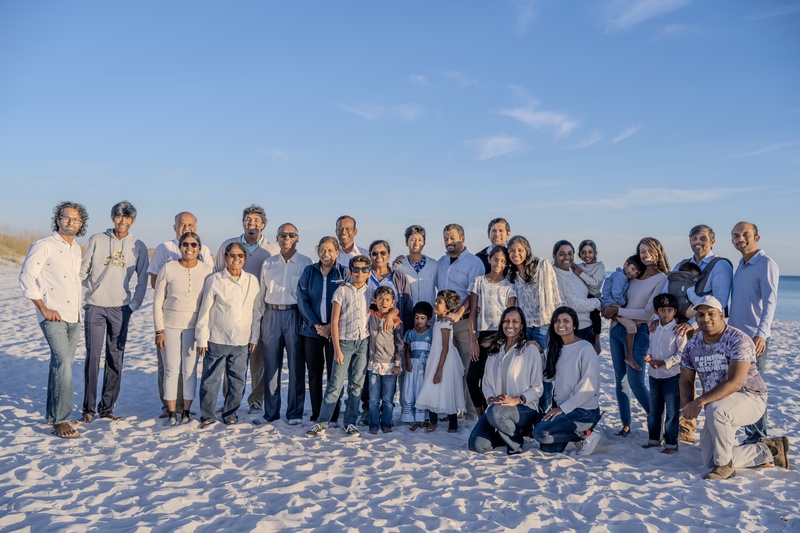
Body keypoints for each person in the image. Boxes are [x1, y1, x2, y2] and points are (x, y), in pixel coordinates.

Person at [680, 296, 788, 479]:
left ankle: (725, 467)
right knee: (709, 460)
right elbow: (686, 381)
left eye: (711, 314)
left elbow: (735, 383)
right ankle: (771, 449)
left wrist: (699, 402)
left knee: (717, 412)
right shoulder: (692, 344)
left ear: (722, 316)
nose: (705, 318)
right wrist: (687, 406)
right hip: (717, 402)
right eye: (700, 315)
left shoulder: (738, 339)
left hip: (750, 398)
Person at [20, 201, 89, 438]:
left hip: (74, 316)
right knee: (63, 364)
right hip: (53, 316)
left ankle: (52, 414)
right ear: (58, 219)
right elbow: (27, 277)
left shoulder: (76, 248)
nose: (70, 222)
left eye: (75, 219)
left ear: (81, 223)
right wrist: (43, 308)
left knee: (59, 364)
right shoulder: (44, 245)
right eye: (66, 218)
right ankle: (61, 420)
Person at [78, 201, 149, 422]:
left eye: (127, 217)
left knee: (115, 358)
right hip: (95, 307)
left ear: (132, 220)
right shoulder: (97, 239)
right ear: (112, 218)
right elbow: (82, 270)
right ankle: (88, 409)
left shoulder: (138, 245)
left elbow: (142, 280)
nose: (122, 221)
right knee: (93, 357)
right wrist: (87, 292)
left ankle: (106, 408)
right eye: (119, 216)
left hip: (121, 309)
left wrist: (133, 305)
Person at [147, 211, 214, 418]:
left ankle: (185, 409)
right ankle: (169, 408)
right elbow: (156, 287)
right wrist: (159, 328)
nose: (187, 229)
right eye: (182, 225)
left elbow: (210, 291)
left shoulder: (206, 258)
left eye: (190, 225)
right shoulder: (164, 250)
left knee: (189, 370)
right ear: (175, 227)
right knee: (169, 369)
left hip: (193, 324)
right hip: (170, 321)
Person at [670, 225, 733, 444]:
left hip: (707, 331)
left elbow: (719, 302)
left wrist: (691, 324)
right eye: (694, 238)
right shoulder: (681, 265)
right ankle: (685, 428)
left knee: (710, 379)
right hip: (681, 327)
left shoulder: (720, 265)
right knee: (684, 379)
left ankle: (714, 429)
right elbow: (671, 292)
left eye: (703, 238)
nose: (698, 242)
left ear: (712, 241)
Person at [215, 205, 280, 415]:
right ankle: (229, 400)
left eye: (256, 220)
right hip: (231, 311)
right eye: (248, 220)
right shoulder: (228, 245)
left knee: (258, 360)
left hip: (261, 311)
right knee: (232, 360)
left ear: (263, 225)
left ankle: (256, 400)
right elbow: (217, 275)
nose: (251, 224)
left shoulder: (272, 249)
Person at [602, 237, 669, 437]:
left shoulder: (661, 279)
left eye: (650, 251)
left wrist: (617, 311)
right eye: (642, 251)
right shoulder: (632, 274)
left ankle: (656, 421)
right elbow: (616, 294)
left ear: (658, 252)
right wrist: (611, 310)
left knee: (636, 382)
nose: (646, 255)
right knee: (620, 380)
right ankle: (626, 424)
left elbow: (648, 313)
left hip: (638, 332)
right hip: (616, 329)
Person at [306, 255, 372, 438]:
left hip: (363, 342)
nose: (360, 273)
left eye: (364, 270)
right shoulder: (342, 291)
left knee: (356, 385)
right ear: (350, 272)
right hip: (344, 343)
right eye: (356, 269)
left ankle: (350, 422)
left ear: (369, 272)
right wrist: (337, 349)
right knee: (335, 385)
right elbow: (334, 322)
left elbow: (386, 308)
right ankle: (322, 422)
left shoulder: (371, 292)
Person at [195, 242, 260, 427]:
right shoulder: (215, 280)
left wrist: (254, 336)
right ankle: (207, 415)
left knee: (238, 381)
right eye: (232, 255)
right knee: (211, 380)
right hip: (217, 338)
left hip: (242, 340)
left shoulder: (252, 280)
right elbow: (204, 311)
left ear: (244, 259)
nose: (236, 259)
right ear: (225, 257)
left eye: (240, 256)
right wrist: (202, 338)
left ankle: (230, 414)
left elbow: (257, 311)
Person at [254, 223, 312, 425]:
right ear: (277, 238)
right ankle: (271, 413)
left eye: (291, 235)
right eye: (282, 235)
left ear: (297, 238)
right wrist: (259, 321)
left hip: (295, 315)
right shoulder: (268, 263)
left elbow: (308, 294)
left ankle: (294, 413)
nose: (286, 238)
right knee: (271, 366)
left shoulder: (306, 262)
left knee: (296, 366)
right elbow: (260, 294)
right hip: (271, 315)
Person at [728, 221, 779, 444]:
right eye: (736, 235)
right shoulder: (741, 265)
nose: (740, 239)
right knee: (739, 387)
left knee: (754, 390)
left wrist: (762, 334)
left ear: (756, 237)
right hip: (735, 337)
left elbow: (770, 302)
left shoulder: (766, 264)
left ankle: (759, 439)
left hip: (754, 338)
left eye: (745, 234)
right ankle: (752, 436)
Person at [468, 307, 543, 455]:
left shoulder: (529, 350)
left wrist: (516, 400)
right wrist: (490, 398)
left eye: (515, 321)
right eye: (506, 321)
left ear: (521, 326)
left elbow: (538, 388)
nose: (510, 325)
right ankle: (506, 433)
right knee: (476, 445)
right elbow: (486, 382)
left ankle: (516, 440)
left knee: (495, 412)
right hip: (497, 408)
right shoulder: (495, 350)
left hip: (523, 407)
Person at [437, 223, 493, 419]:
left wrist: (458, 313)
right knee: (448, 368)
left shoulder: (474, 262)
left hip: (464, 321)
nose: (449, 242)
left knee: (469, 368)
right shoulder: (441, 262)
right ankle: (451, 411)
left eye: (452, 238)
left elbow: (473, 293)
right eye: (446, 238)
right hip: (444, 323)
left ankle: (471, 412)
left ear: (462, 238)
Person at [532, 307, 602, 455]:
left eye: (566, 321)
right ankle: (579, 437)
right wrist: (540, 353)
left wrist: (563, 409)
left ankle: (587, 435)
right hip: (564, 408)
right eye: (557, 321)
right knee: (548, 447)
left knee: (540, 433)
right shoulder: (555, 347)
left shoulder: (585, 348)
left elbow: (588, 387)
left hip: (584, 411)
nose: (561, 324)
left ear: (574, 325)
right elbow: (547, 377)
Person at [297, 236, 350, 424]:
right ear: (317, 251)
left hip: (335, 331)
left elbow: (348, 302)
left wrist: (330, 327)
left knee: (334, 374)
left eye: (329, 250)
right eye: (322, 250)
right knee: (314, 372)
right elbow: (302, 299)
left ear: (337, 252)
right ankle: (316, 413)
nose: (325, 254)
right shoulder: (309, 271)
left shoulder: (344, 273)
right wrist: (317, 325)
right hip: (312, 331)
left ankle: (332, 413)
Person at [465, 245, 516, 416]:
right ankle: (481, 416)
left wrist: (508, 342)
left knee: (492, 381)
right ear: (489, 259)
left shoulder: (509, 286)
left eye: (502, 261)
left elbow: (510, 317)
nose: (498, 264)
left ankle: (491, 415)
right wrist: (473, 341)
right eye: (495, 259)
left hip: (502, 337)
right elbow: (472, 313)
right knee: (472, 379)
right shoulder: (479, 281)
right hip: (483, 336)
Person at [414, 290, 466, 433]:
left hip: (445, 360)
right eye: (436, 300)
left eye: (439, 302)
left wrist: (439, 370)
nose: (435, 303)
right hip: (435, 356)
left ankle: (453, 424)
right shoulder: (438, 321)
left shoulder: (445, 323)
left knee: (447, 389)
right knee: (432, 388)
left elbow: (445, 348)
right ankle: (433, 421)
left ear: (447, 308)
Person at [642, 294, 686, 454]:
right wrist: (649, 356)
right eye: (662, 310)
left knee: (672, 412)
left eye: (669, 310)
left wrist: (663, 362)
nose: (666, 313)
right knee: (654, 410)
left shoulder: (678, 331)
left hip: (672, 377)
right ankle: (653, 440)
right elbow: (650, 346)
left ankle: (671, 445)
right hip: (654, 376)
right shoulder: (654, 329)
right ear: (656, 311)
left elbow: (681, 354)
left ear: (675, 311)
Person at [366, 286, 404, 434]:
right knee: (373, 400)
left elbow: (399, 344)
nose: (384, 302)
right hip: (373, 364)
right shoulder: (371, 314)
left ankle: (386, 423)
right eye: (380, 299)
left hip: (390, 365)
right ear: (375, 300)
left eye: (387, 300)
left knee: (388, 400)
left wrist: (397, 364)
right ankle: (374, 425)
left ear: (392, 302)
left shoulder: (396, 321)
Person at [552, 240, 601, 346]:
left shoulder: (573, 270)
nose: (567, 257)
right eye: (562, 254)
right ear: (554, 255)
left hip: (588, 328)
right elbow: (574, 305)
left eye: (570, 253)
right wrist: (598, 302)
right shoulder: (555, 276)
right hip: (574, 331)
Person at [600, 255, 646, 370]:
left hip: (610, 303)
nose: (633, 273)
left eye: (636, 273)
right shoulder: (620, 276)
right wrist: (623, 303)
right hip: (612, 304)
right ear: (626, 264)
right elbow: (616, 294)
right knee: (632, 327)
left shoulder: (620, 275)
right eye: (633, 269)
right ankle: (629, 357)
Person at [401, 301, 434, 428]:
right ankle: (412, 417)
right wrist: (408, 361)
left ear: (428, 318)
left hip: (425, 367)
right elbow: (408, 349)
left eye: (422, 318)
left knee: (422, 389)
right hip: (413, 366)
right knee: (411, 389)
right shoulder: (411, 333)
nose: (419, 321)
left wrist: (428, 364)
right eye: (416, 317)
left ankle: (424, 418)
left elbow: (433, 350)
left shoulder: (431, 333)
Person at [393, 225, 439, 307]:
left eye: (420, 240)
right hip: (406, 313)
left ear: (424, 243)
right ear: (406, 242)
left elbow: (441, 288)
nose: (416, 243)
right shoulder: (398, 266)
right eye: (412, 240)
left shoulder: (434, 265)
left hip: (428, 313)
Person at [576, 240, 606, 354]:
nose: (586, 255)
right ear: (579, 254)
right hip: (583, 297)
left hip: (594, 297)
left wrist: (580, 273)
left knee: (595, 317)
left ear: (595, 253)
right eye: (583, 252)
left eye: (590, 252)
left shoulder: (599, 266)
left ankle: (597, 338)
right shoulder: (579, 266)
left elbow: (595, 284)